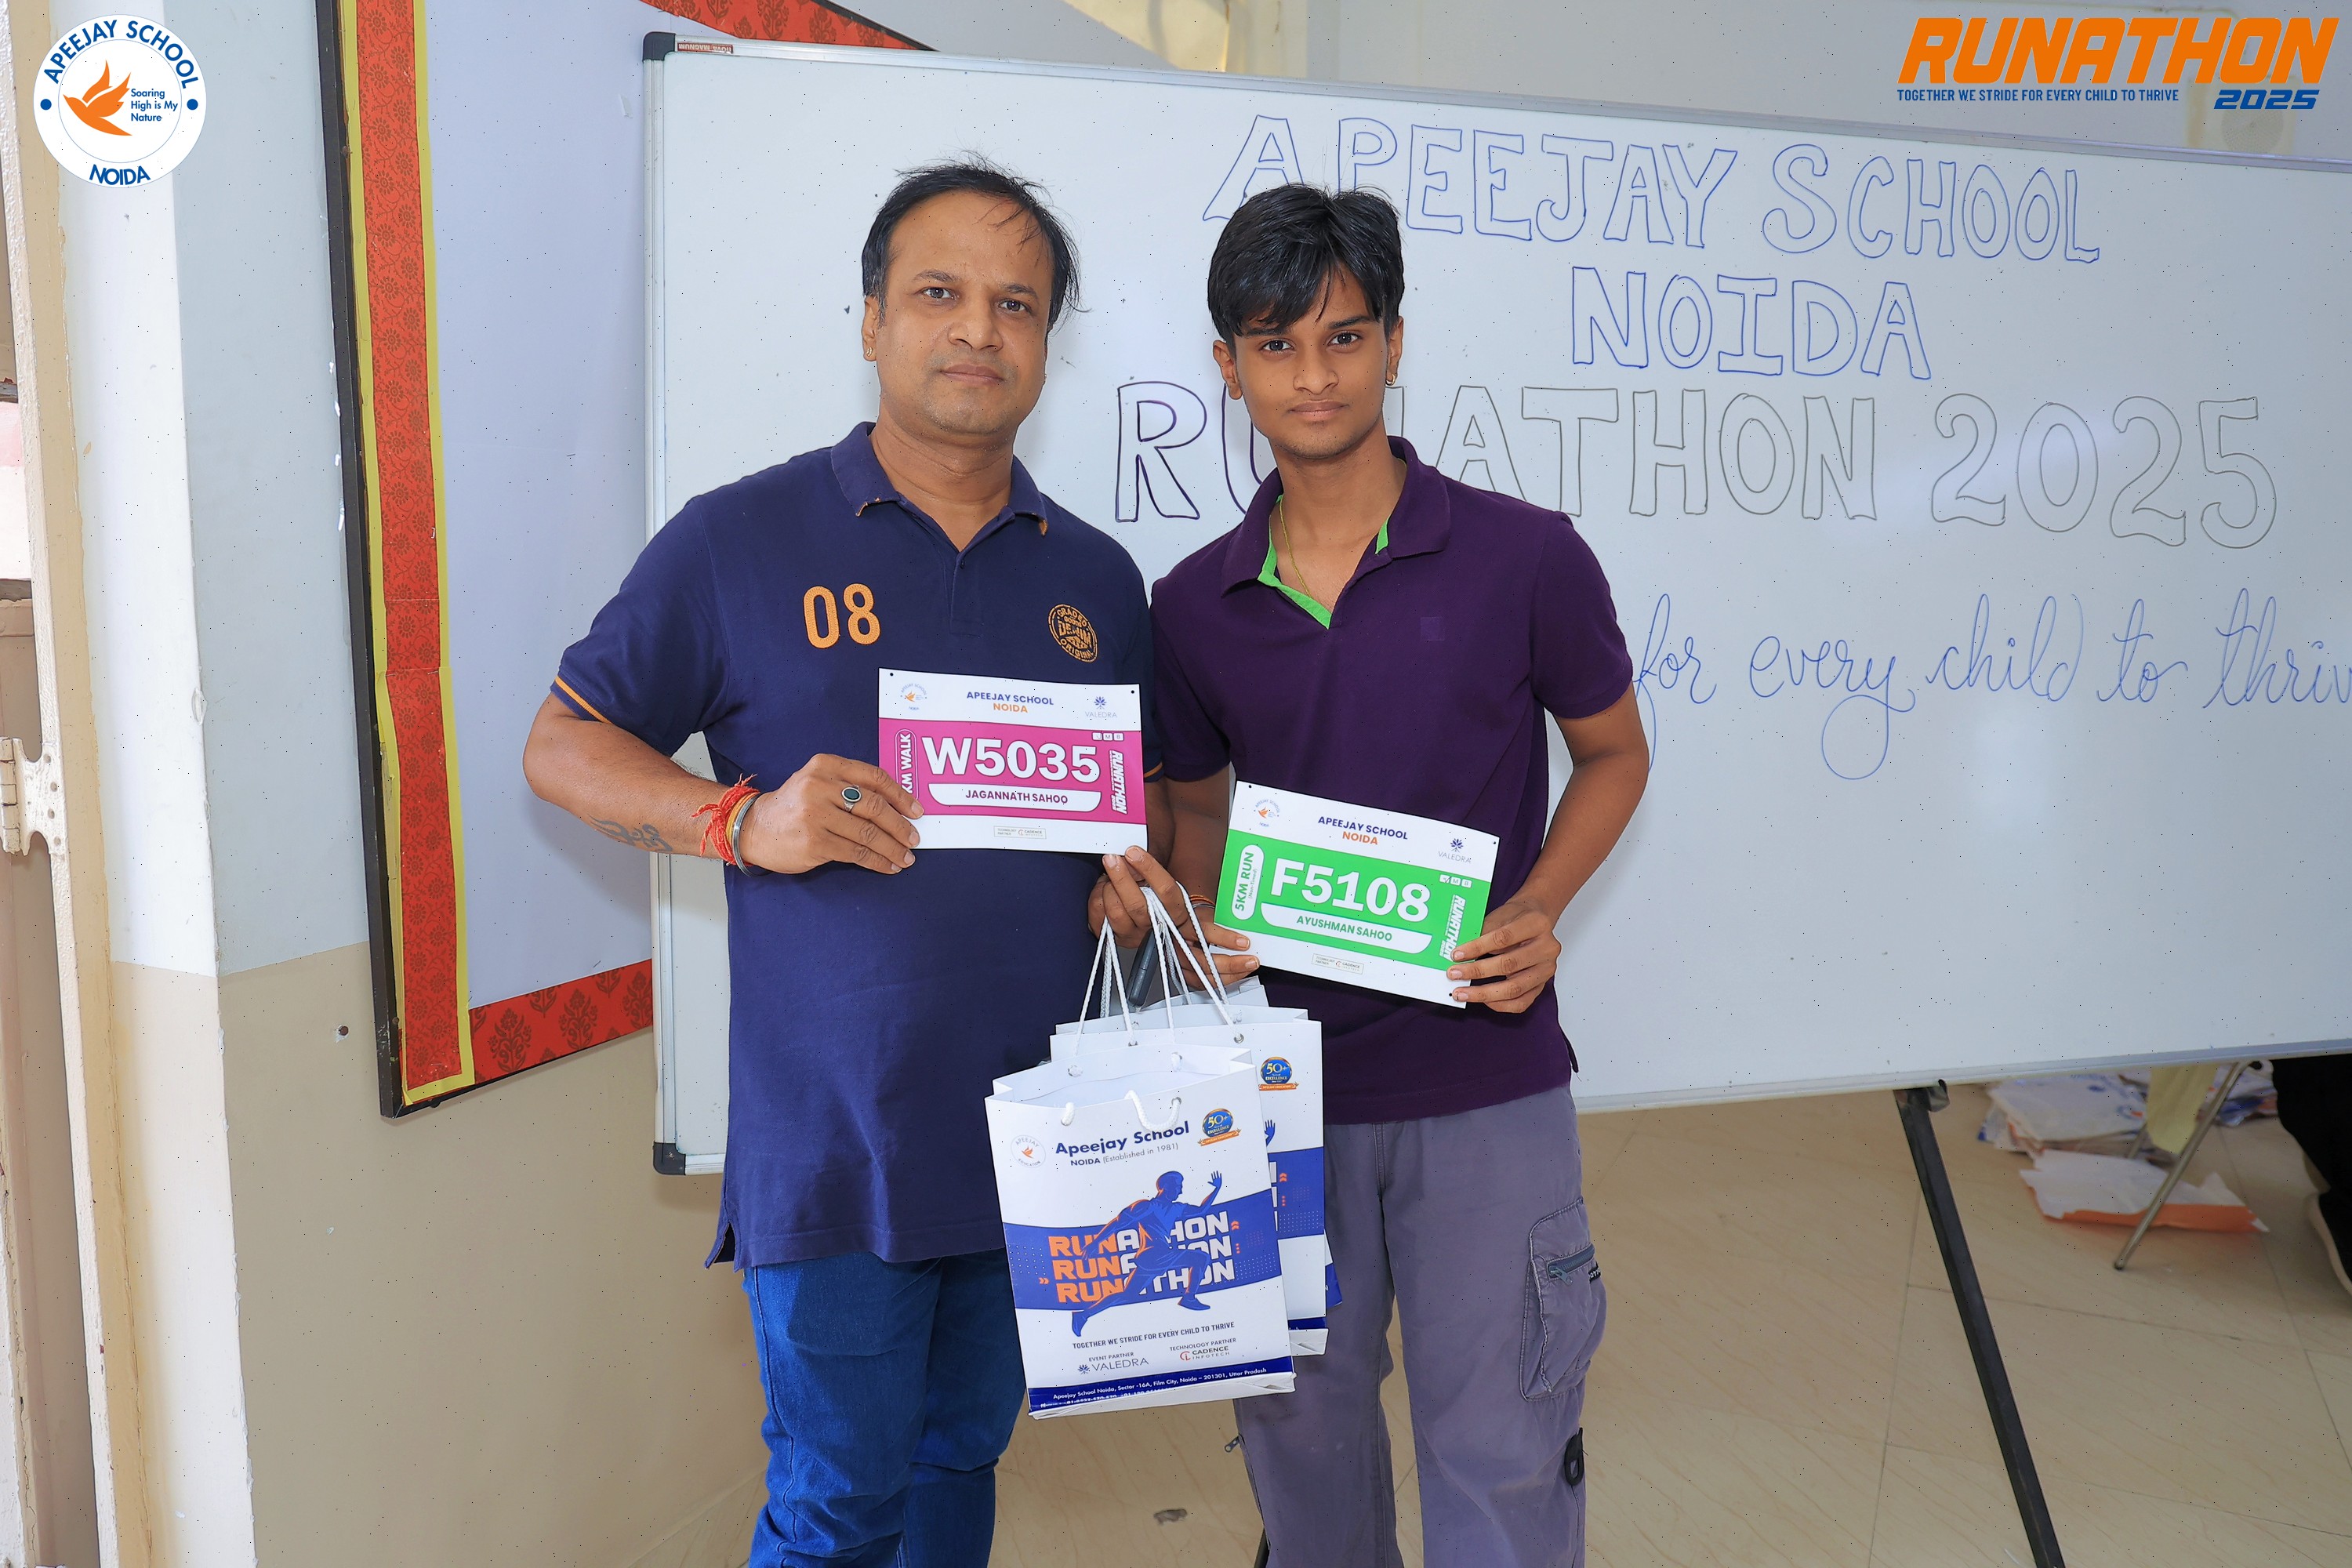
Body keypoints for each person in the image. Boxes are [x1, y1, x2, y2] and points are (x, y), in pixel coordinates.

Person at [523, 161, 1157, 1568]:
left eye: (1016, 304)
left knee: (961, 1460)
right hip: (838, 1149)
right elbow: (561, 744)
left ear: (1049, 343)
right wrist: (737, 821)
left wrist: (1133, 884)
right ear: (872, 321)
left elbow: (1138, 814)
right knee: (837, 1505)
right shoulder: (737, 540)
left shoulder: (1098, 582)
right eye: (939, 293)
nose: (978, 328)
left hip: (1042, 1138)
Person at [1097, 184, 1650, 1568]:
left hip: (1486, 1079)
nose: (1314, 375)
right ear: (1228, 365)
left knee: (1502, 1461)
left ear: (1395, 343)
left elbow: (1614, 754)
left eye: (1344, 337)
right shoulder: (1192, 603)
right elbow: (1199, 812)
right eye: (1275, 345)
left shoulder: (1527, 555)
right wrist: (1191, 913)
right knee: (1305, 1457)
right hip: (1275, 1095)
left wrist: (1539, 908)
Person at [1070, 1168, 1227, 1334]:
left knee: (1128, 1295)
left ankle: (1083, 1315)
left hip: (1155, 1259)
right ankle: (1189, 1298)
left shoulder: (1177, 1208)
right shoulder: (1147, 1206)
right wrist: (1095, 1243)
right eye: (1178, 1186)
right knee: (1201, 1258)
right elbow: (1118, 1223)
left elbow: (1201, 1210)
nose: (1180, 1191)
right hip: (1154, 1255)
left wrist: (1216, 1190)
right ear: (1165, 1186)